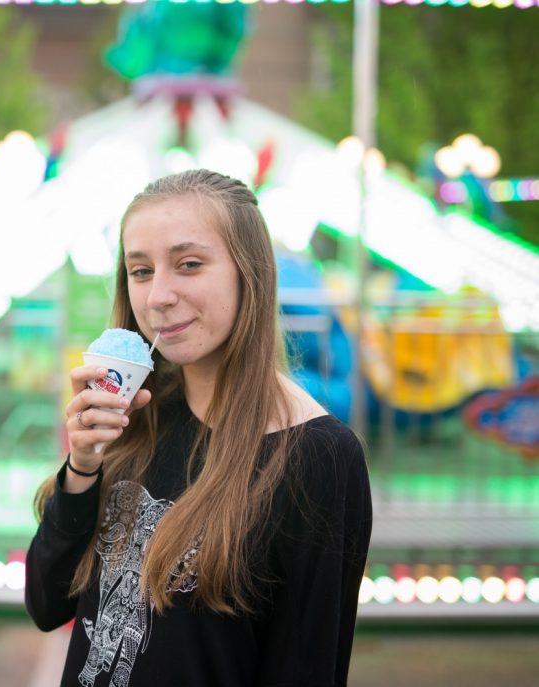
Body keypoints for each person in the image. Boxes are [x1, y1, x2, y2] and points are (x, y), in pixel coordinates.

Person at [25, 169, 372, 687]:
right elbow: (46, 603)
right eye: (140, 271)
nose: (158, 295)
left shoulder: (319, 456)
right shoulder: (135, 418)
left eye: (188, 265)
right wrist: (82, 467)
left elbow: (305, 666)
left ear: (249, 272)